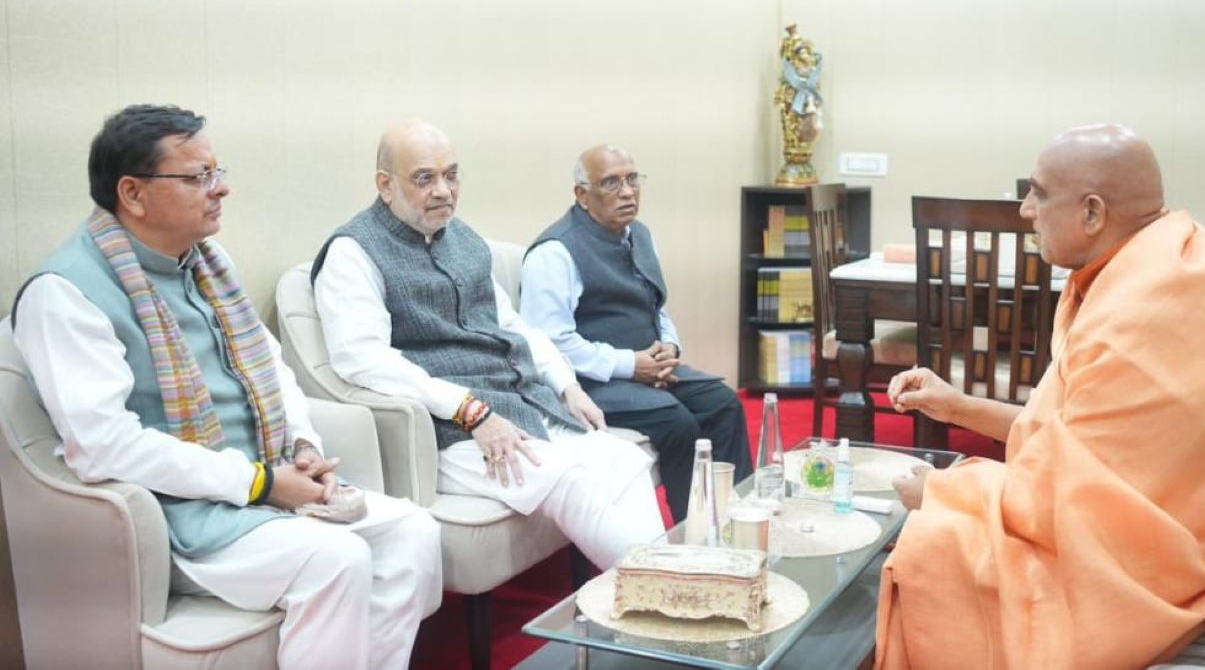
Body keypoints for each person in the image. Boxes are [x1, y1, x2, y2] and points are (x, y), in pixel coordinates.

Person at [11, 105, 442, 669]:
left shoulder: (207, 263)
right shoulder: (66, 293)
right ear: (133, 194)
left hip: (265, 480)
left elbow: (273, 368)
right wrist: (261, 484)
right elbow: (104, 445)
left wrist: (304, 446)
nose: (221, 188)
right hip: (181, 517)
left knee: (414, 532)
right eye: (199, 177)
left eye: (217, 171)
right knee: (337, 560)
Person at [875, 124, 1205, 668]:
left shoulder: (1138, 313)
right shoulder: (1172, 255)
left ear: (1092, 214)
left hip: (1176, 563)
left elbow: (1067, 499)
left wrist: (943, 492)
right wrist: (955, 405)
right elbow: (1074, 437)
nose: (1025, 211)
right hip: (1191, 520)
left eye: (1038, 194)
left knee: (934, 547)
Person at [311, 120, 665, 570]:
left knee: (621, 460)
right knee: (568, 481)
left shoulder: (462, 238)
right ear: (385, 184)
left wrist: (566, 385)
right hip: (452, 430)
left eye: (451, 175)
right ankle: (664, 590)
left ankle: (662, 588)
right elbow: (363, 359)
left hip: (520, 400)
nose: (443, 191)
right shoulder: (352, 252)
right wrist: (468, 410)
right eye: (424, 178)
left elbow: (511, 323)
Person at [519, 145, 754, 522]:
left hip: (649, 368)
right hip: (588, 383)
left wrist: (670, 346)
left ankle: (736, 520)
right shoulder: (554, 253)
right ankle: (692, 532)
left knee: (723, 403)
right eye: (611, 183)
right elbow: (548, 342)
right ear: (582, 195)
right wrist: (630, 365)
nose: (627, 192)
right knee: (677, 421)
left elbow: (655, 306)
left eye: (632, 179)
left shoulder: (640, 234)